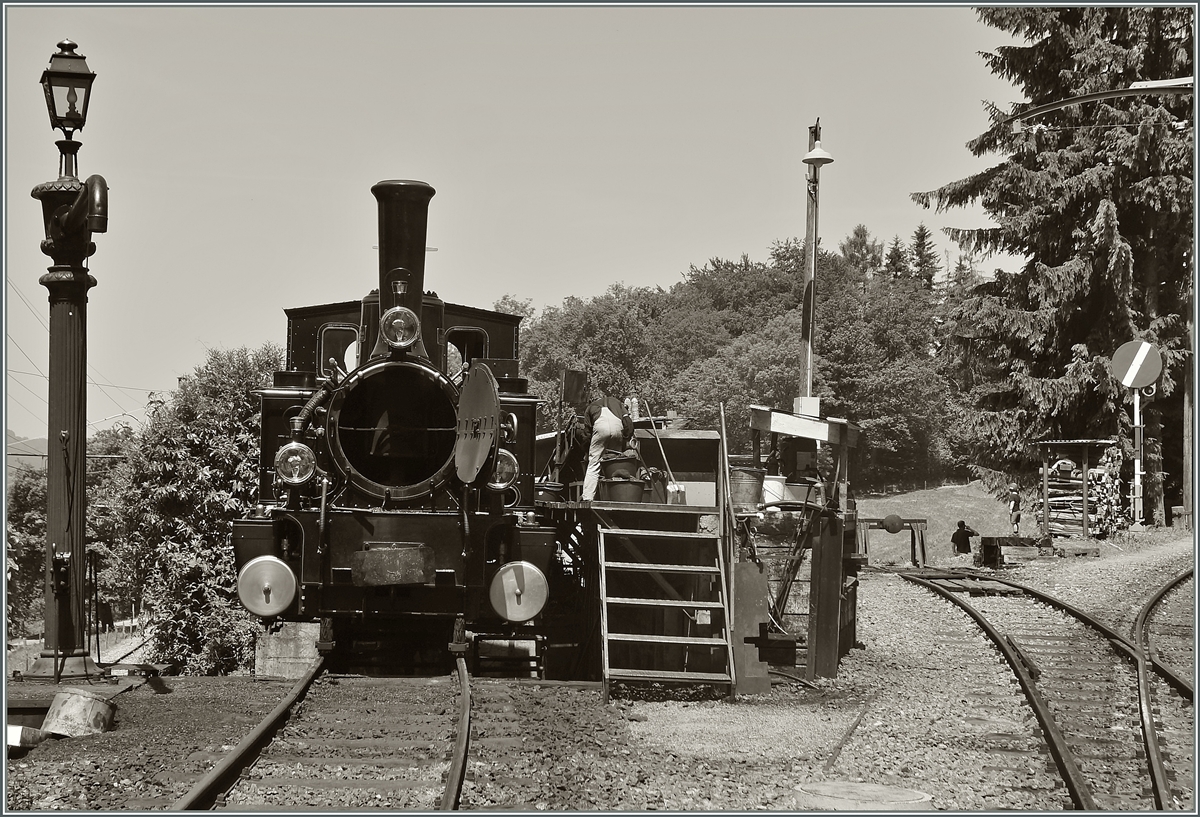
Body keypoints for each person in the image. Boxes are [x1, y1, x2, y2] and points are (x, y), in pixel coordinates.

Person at [580, 393, 634, 501]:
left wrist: (586, 451)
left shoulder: (590, 407)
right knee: (614, 462)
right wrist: (627, 438)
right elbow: (628, 422)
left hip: (600, 428)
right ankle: (616, 495)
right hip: (617, 428)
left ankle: (587, 497)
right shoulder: (616, 402)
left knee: (594, 465)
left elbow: (587, 434)